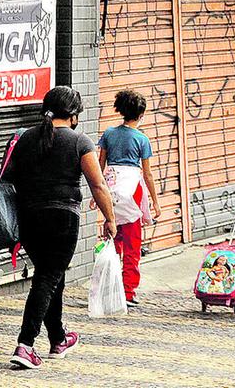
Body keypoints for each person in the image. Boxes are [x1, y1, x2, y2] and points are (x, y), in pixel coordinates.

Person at [4, 86, 117, 370]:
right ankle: (25, 344)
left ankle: (58, 338)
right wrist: (110, 218)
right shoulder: (80, 142)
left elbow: (11, 177)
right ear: (74, 115)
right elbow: (98, 184)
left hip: (29, 219)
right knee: (47, 277)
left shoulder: (25, 138)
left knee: (52, 276)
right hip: (62, 219)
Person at [95, 89, 162, 308]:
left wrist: (97, 195)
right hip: (132, 191)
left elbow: (99, 166)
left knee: (113, 241)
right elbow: (148, 174)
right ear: (141, 114)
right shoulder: (142, 139)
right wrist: (155, 201)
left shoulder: (108, 133)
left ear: (120, 110)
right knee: (133, 244)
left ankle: (109, 288)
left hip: (110, 190)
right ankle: (128, 291)